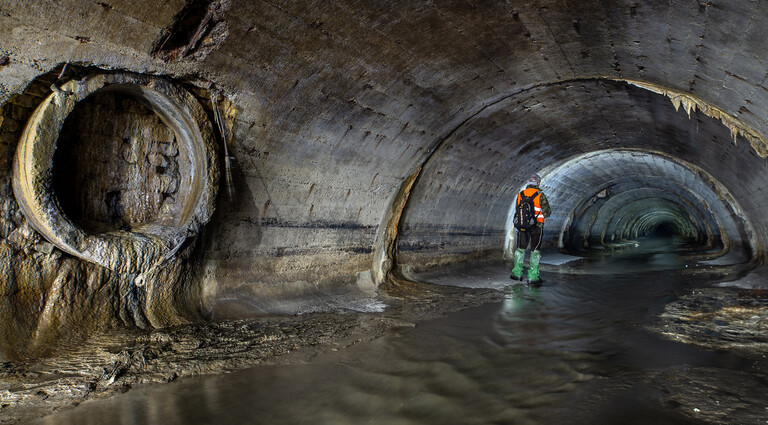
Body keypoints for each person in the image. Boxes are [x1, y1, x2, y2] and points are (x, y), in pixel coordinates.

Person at [510, 173, 551, 285]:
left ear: (529, 183)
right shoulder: (540, 195)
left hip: (522, 226)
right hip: (537, 227)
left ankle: (516, 274)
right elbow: (547, 212)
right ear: (538, 183)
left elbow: (517, 210)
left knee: (520, 249)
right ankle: (533, 277)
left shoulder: (520, 194)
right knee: (535, 250)